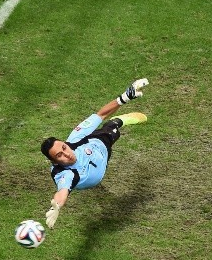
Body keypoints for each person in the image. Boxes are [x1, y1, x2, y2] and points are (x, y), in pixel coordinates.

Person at [40, 78, 150, 228]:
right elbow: (62, 192)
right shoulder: (65, 174)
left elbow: (101, 114)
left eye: (64, 148)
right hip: (100, 164)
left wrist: (125, 97)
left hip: (98, 144)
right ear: (54, 162)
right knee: (109, 130)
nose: (67, 154)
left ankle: (119, 121)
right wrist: (56, 207)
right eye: (59, 155)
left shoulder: (74, 139)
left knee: (111, 127)